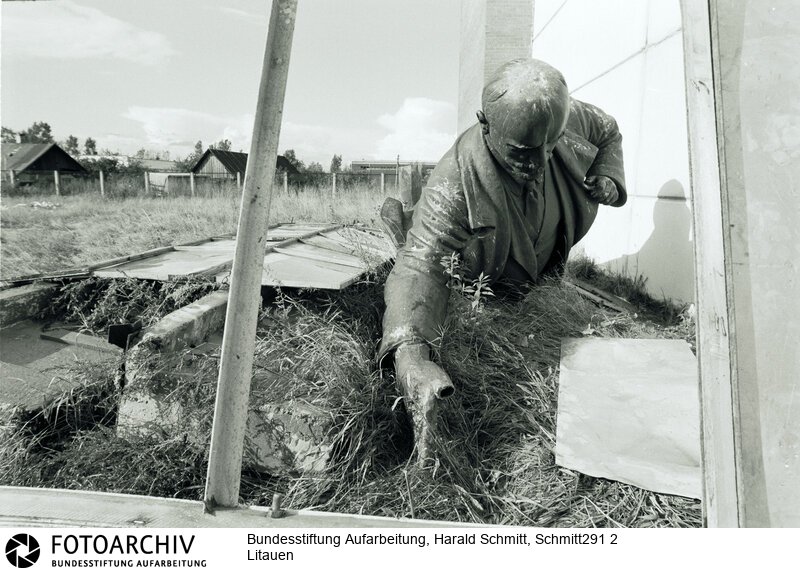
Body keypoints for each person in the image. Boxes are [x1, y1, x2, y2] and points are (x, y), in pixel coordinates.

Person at [378, 58, 627, 463]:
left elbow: (609, 130)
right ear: (485, 123)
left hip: (541, 279)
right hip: (486, 286)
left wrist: (609, 174)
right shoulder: (454, 181)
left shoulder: (563, 115)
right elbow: (421, 266)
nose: (541, 161)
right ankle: (405, 220)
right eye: (523, 152)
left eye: (551, 145)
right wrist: (412, 354)